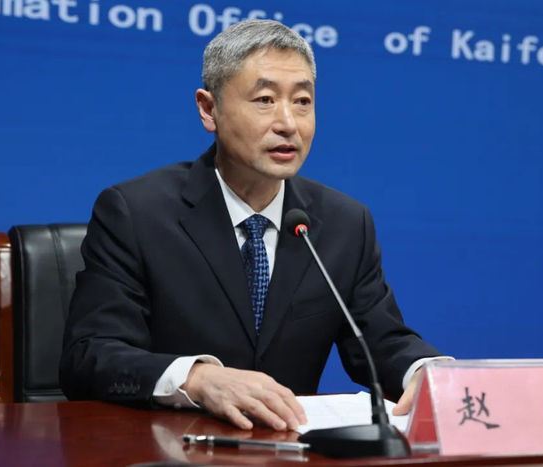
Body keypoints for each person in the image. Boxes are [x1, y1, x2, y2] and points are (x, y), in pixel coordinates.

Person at [60, 19, 447, 432]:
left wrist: (429, 373)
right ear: (209, 109)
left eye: (302, 101)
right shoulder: (136, 213)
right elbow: (90, 355)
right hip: (170, 445)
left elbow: (383, 341)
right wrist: (197, 379)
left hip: (291, 450)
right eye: (265, 99)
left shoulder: (344, 223)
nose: (288, 123)